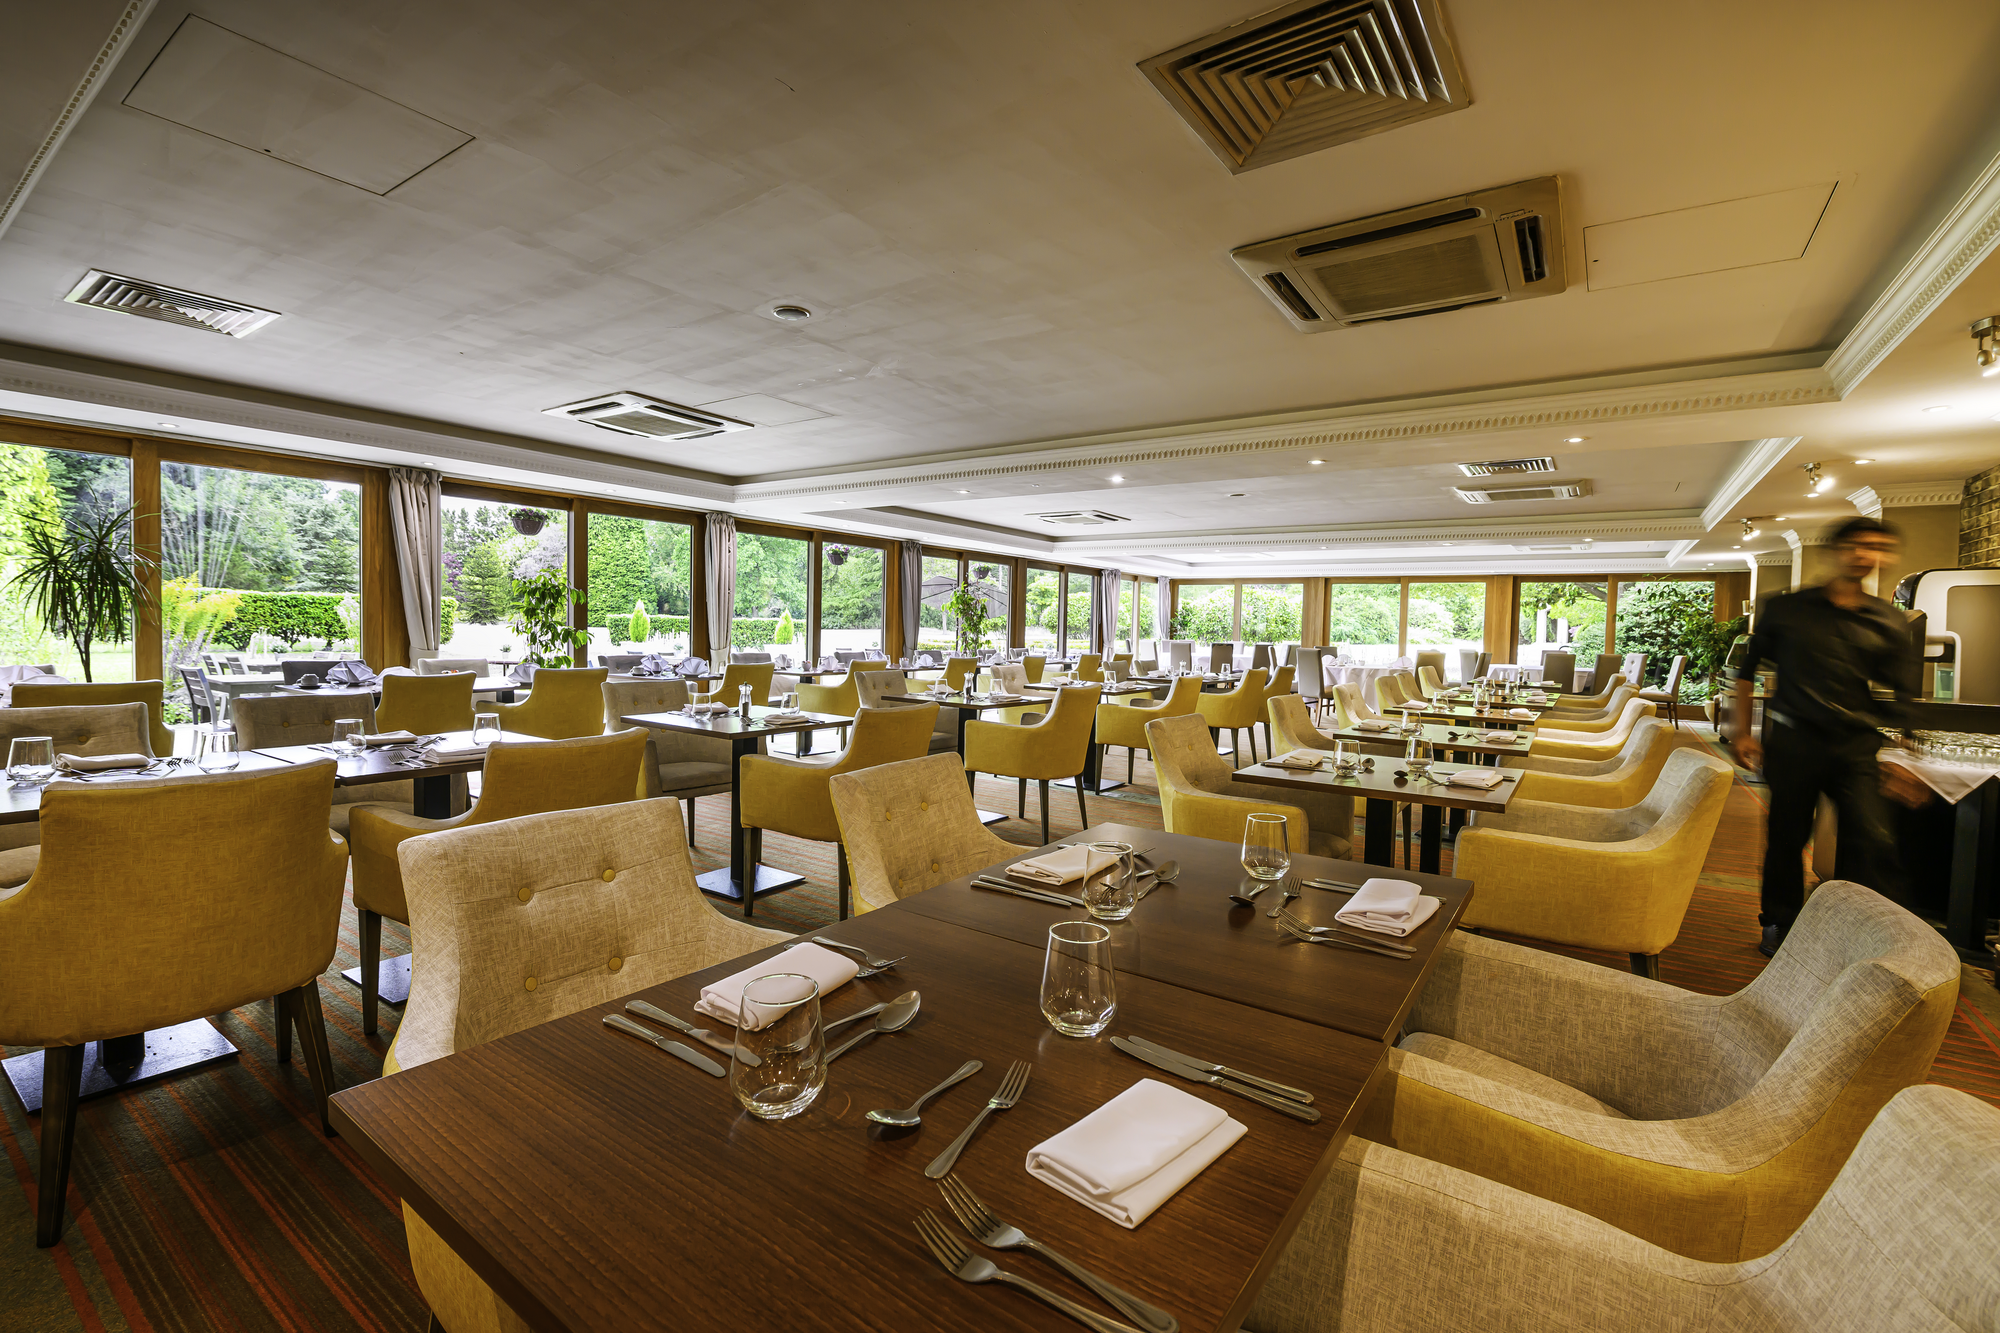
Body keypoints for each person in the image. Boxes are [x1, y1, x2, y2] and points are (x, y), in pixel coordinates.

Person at [1729, 516, 1919, 957]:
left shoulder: (1889, 621)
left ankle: (1866, 932)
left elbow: (1903, 697)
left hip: (1856, 746)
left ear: (1883, 557)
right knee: (1787, 836)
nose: (1864, 554)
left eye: (1875, 547)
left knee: (1872, 840)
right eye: (1856, 545)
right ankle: (1779, 921)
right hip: (1794, 742)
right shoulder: (1786, 609)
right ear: (1836, 550)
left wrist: (1906, 758)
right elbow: (1747, 672)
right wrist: (1743, 731)